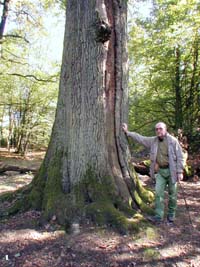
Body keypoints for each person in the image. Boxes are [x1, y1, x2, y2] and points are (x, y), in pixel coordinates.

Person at [122, 122, 184, 224]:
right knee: (158, 193)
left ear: (165, 129)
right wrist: (128, 132)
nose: (158, 131)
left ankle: (171, 215)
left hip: (172, 171)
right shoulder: (153, 141)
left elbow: (180, 157)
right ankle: (158, 216)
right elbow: (141, 138)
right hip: (160, 171)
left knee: (173, 195)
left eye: (160, 128)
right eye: (156, 129)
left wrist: (180, 172)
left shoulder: (173, 141)